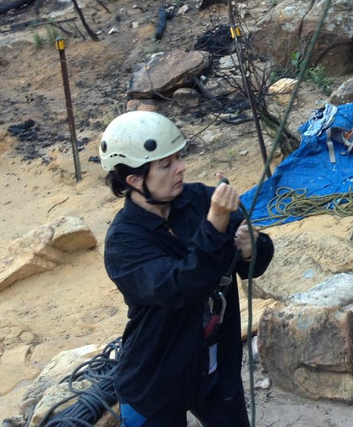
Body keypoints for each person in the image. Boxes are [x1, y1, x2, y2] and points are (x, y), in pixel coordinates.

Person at [100, 110, 273, 427]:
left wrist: (252, 249)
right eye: (166, 165)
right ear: (134, 180)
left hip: (213, 370)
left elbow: (257, 261)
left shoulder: (198, 200)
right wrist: (216, 224)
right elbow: (179, 286)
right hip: (155, 379)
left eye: (178, 157)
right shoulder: (124, 243)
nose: (181, 168)